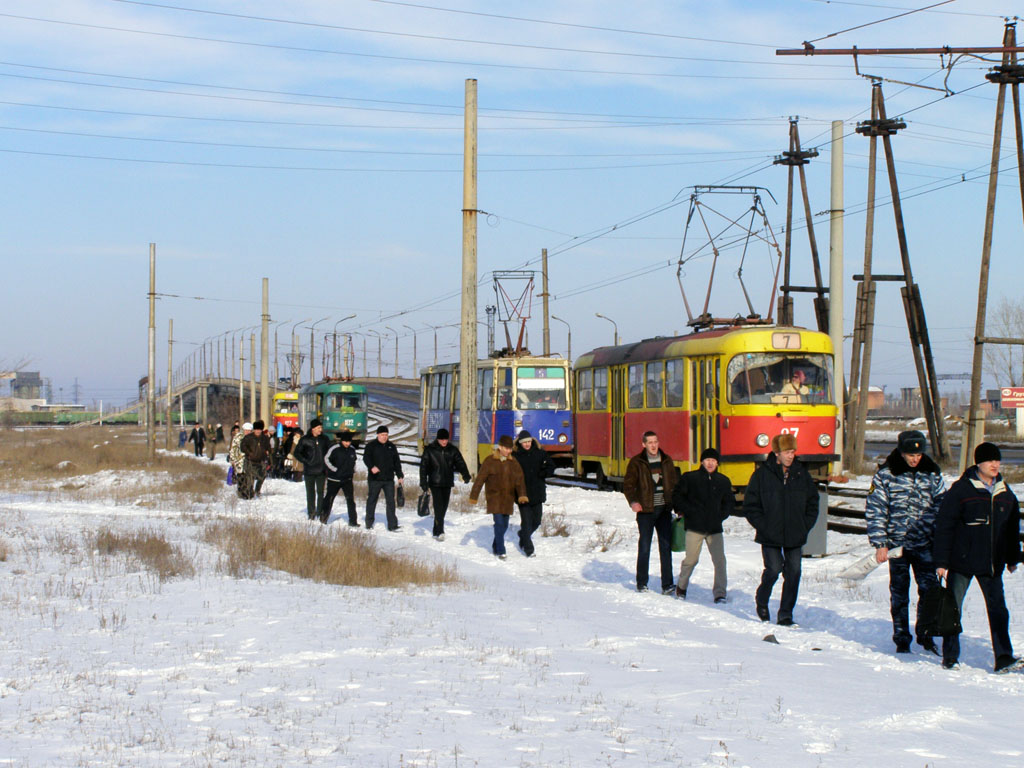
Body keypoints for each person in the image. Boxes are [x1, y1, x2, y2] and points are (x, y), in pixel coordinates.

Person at [933, 442, 1021, 672]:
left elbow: (1011, 529)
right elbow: (944, 526)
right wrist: (941, 562)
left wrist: (1013, 557)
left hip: (991, 564)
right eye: (990, 461)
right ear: (978, 463)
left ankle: (1004, 658)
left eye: (997, 460)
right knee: (954, 610)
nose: (995, 465)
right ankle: (950, 657)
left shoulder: (1005, 492)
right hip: (961, 562)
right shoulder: (961, 490)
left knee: (999, 611)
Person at [865, 430, 944, 655]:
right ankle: (901, 637)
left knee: (929, 591)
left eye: (918, 455)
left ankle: (926, 634)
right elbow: (876, 508)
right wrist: (880, 542)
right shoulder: (886, 475)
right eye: (910, 454)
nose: (914, 459)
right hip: (896, 545)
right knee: (899, 592)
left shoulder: (932, 474)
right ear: (901, 452)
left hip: (925, 545)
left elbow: (942, 506)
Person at [743, 433, 820, 625]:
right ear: (776, 453)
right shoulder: (761, 475)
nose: (791, 455)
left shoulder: (802, 474)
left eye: (793, 451)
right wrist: (763, 526)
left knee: (794, 572)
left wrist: (805, 526)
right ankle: (762, 599)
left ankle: (785, 614)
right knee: (773, 570)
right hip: (770, 534)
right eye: (787, 452)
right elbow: (751, 506)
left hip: (795, 534)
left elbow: (813, 503)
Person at [671, 447, 735, 602]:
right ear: (702, 462)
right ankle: (681, 587)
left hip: (714, 528)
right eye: (707, 460)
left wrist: (721, 516)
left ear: (717, 463)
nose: (710, 463)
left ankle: (720, 593)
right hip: (695, 527)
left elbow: (729, 502)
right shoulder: (690, 478)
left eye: (713, 461)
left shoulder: (723, 481)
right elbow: (677, 496)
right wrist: (688, 511)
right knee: (691, 560)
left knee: (720, 561)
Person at [623, 431, 678, 594]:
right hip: (646, 511)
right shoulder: (637, 462)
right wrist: (633, 502)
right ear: (644, 445)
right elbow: (628, 485)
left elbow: (674, 484)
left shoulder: (667, 461)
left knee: (666, 547)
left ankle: (667, 584)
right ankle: (642, 582)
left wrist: (677, 507)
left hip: (664, 510)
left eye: (655, 442)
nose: (653, 446)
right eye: (650, 443)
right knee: (645, 546)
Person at [469, 435, 528, 559]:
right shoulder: (490, 461)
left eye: (510, 449)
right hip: (494, 497)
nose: (509, 451)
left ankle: (496, 545)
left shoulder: (513, 462)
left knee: (505, 525)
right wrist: (474, 496)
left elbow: (520, 481)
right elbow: (480, 480)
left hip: (508, 498)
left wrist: (522, 495)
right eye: (506, 448)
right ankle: (501, 551)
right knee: (499, 523)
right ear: (500, 447)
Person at [419, 427, 471, 541]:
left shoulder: (452, 450)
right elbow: (423, 467)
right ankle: (440, 531)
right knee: (438, 506)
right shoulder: (430, 450)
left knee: (444, 507)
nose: (444, 441)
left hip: (447, 482)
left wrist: (465, 475)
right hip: (435, 482)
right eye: (442, 439)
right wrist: (423, 482)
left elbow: (460, 463)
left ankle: (435, 528)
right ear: (438, 439)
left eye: (446, 439)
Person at [513, 429, 556, 557]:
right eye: (524, 442)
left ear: (532, 441)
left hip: (537, 493)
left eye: (528, 441)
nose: (527, 444)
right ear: (520, 443)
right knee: (526, 522)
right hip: (522, 493)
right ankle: (529, 549)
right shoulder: (515, 456)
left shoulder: (540, 453)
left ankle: (523, 535)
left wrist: (544, 473)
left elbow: (551, 466)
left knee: (536, 521)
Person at [363, 425, 404, 530]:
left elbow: (397, 462)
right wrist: (371, 467)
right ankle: (369, 522)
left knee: (391, 502)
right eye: (382, 435)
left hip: (388, 479)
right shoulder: (371, 446)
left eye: (386, 435)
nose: (384, 437)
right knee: (372, 500)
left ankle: (392, 525)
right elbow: (366, 458)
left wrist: (399, 475)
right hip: (375, 479)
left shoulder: (391, 446)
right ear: (377, 435)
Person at [293, 419, 331, 521]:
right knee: (310, 492)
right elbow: (297, 453)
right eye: (318, 428)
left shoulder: (325, 439)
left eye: (321, 427)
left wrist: (328, 465)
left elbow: (330, 452)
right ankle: (311, 513)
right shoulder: (305, 439)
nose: (320, 429)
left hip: (321, 471)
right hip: (309, 470)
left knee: (320, 492)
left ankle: (320, 512)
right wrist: (306, 461)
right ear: (313, 428)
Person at [323, 431, 358, 526]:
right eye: (345, 441)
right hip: (334, 479)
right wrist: (334, 470)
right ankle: (324, 519)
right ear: (342, 441)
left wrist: (353, 471)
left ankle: (353, 521)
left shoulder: (352, 449)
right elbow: (326, 459)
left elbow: (354, 461)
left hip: (347, 479)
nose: (347, 443)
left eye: (349, 441)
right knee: (329, 499)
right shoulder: (335, 448)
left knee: (350, 500)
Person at [241, 420, 273, 498]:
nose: (258, 431)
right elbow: (242, 447)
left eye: (259, 429)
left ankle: (257, 490)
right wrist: (249, 453)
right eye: (256, 429)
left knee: (263, 476)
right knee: (250, 478)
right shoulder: (248, 437)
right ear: (254, 429)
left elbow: (268, 448)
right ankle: (249, 493)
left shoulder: (265, 438)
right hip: (250, 460)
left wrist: (268, 454)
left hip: (261, 460)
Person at [229, 422, 253, 499]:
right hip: (239, 460)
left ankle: (248, 493)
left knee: (249, 477)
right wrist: (232, 459)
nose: (247, 432)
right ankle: (241, 492)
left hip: (250, 460)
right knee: (240, 477)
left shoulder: (253, 438)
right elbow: (234, 448)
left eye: (249, 430)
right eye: (246, 430)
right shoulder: (238, 437)